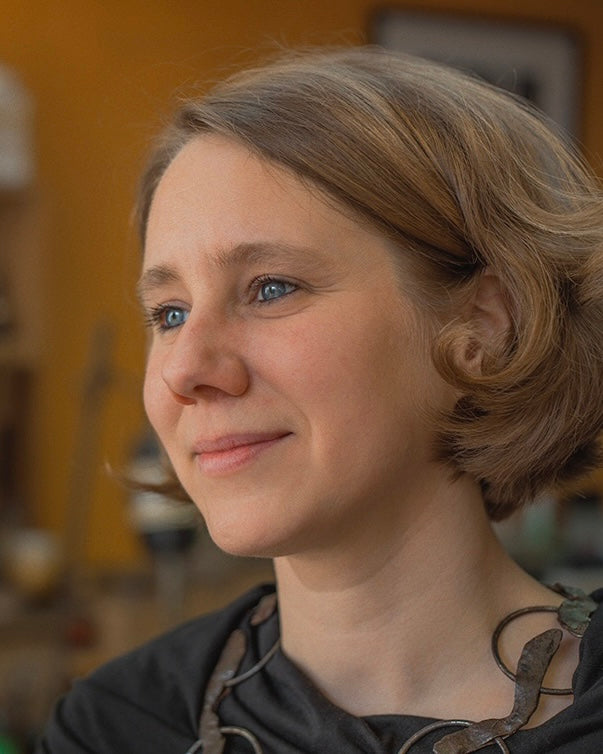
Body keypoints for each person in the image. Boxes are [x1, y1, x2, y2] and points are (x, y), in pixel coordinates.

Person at [37, 46, 603, 753]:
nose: (185, 370)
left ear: (483, 325)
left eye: (271, 287)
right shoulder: (113, 729)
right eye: (170, 313)